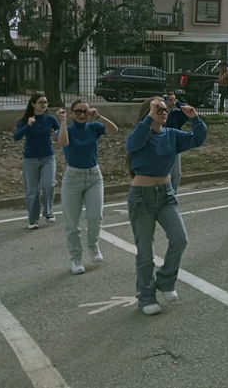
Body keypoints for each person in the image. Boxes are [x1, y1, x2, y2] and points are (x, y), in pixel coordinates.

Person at [126, 96, 207, 315]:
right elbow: (132, 145)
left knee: (180, 239)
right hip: (141, 197)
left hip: (166, 194)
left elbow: (198, 139)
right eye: (158, 109)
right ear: (148, 112)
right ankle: (145, 296)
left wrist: (195, 119)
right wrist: (149, 116)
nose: (164, 112)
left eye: (165, 109)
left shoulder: (171, 135)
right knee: (145, 251)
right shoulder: (141, 134)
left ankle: (165, 280)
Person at [56, 100, 119, 274]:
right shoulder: (67, 130)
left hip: (94, 177)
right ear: (71, 113)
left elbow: (114, 131)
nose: (82, 115)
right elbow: (63, 143)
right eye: (78, 111)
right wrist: (62, 121)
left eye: (85, 111)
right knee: (72, 224)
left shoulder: (94, 127)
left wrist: (98, 116)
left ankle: (93, 245)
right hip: (73, 178)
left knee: (95, 216)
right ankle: (76, 259)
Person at [14, 94, 59, 229]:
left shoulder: (50, 118)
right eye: (40, 102)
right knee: (32, 191)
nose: (44, 105)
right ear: (33, 104)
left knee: (49, 185)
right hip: (30, 160)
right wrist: (28, 125)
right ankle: (33, 219)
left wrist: (62, 131)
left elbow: (59, 131)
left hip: (48, 158)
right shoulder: (24, 120)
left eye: (45, 102)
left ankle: (48, 212)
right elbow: (16, 137)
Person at [164, 92, 190, 193]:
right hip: (163, 146)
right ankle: (165, 194)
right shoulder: (160, 113)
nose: (173, 102)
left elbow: (187, 109)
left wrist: (178, 104)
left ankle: (173, 193)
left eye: (174, 99)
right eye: (170, 100)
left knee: (177, 173)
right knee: (166, 173)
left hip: (174, 146)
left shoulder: (176, 115)